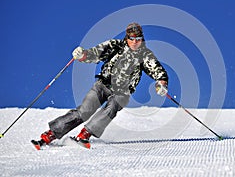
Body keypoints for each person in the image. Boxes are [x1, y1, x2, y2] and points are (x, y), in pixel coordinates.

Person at [31, 22, 168, 149]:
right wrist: (82, 55)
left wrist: (161, 83)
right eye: (132, 38)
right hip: (103, 85)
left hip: (122, 92)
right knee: (84, 110)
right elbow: (95, 53)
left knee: (112, 106)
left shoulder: (144, 55)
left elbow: (157, 70)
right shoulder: (115, 46)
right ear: (127, 38)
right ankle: (50, 135)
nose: (135, 42)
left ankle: (85, 134)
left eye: (138, 39)